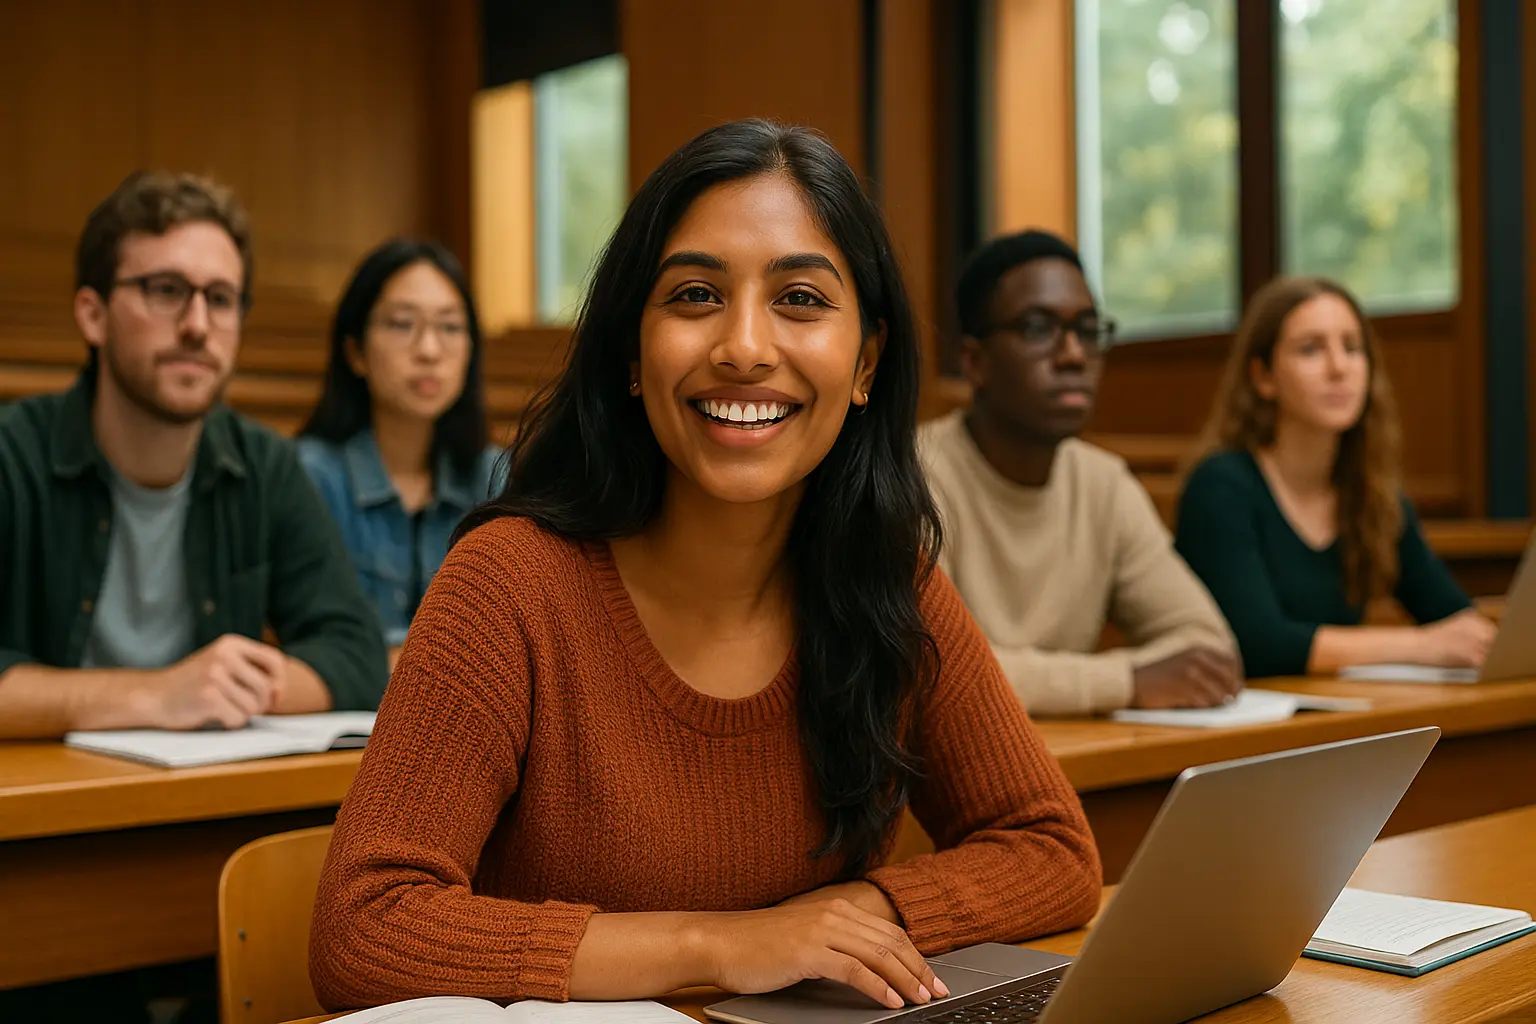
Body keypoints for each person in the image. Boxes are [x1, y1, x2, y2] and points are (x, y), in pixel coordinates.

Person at [309, 120, 1101, 1013]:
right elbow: (364, 927)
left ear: (867, 359)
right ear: (633, 357)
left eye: (801, 299)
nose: (745, 347)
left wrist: (852, 912)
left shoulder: (889, 580)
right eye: (694, 295)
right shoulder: (508, 585)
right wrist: (724, 946)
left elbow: (1051, 848)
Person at [0, 171, 389, 741]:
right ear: (93, 314)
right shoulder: (14, 456)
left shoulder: (266, 466)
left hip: (196, 801)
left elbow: (356, 656)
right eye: (166, 290)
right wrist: (154, 693)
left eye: (221, 299)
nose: (198, 326)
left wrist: (228, 687)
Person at [918, 230, 1239, 717]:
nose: (1072, 355)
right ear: (975, 361)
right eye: (1036, 328)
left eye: (1087, 331)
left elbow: (1207, 649)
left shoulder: (1104, 484)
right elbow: (928, 671)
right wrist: (1125, 681)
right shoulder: (913, 474)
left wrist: (1054, 682)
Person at [1175, 275, 1494, 678]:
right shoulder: (1220, 486)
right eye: (1311, 349)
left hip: (1335, 717)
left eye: (1352, 347)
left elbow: (1449, 613)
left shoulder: (1374, 493)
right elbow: (1256, 643)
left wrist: (1478, 637)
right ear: (1263, 377)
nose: (1339, 367)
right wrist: (1421, 645)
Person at [297, 239, 501, 662]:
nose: (429, 351)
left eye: (449, 327)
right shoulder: (307, 477)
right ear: (355, 352)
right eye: (401, 324)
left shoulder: (500, 480)